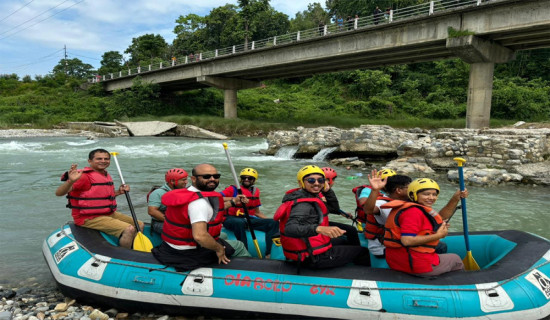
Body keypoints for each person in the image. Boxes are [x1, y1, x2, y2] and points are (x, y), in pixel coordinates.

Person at [152, 164, 251, 271]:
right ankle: (248, 272)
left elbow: (209, 210)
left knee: (224, 235)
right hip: (189, 252)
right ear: (193, 179)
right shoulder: (199, 203)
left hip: (173, 246)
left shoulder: (191, 193)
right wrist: (219, 249)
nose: (212, 179)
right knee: (239, 245)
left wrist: (233, 201)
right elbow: (200, 236)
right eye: (206, 176)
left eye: (216, 176)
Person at [274, 165, 370, 269]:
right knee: (363, 252)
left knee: (344, 241)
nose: (316, 183)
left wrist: (327, 191)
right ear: (301, 182)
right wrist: (319, 229)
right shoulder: (303, 205)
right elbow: (290, 229)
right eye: (311, 180)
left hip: (308, 248)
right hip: (313, 257)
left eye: (320, 180)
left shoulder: (308, 196)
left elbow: (334, 208)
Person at [55, 148, 143, 249]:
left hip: (107, 213)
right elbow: (59, 193)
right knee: (129, 229)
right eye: (99, 159)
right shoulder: (83, 176)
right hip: (88, 218)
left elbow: (98, 197)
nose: (103, 161)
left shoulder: (105, 174)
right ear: (90, 161)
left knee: (139, 224)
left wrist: (119, 192)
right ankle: (126, 254)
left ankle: (134, 248)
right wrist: (70, 181)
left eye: (106, 159)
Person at [383, 178, 466, 276]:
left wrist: (455, 198)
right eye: (426, 194)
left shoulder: (411, 207)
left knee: (441, 249)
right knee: (455, 259)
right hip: (413, 265)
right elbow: (407, 240)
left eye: (434, 194)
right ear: (413, 194)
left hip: (400, 261)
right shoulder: (413, 212)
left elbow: (441, 218)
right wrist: (438, 235)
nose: (431, 197)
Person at [220, 168, 279, 259]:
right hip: (230, 219)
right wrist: (235, 198)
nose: (246, 180)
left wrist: (270, 221)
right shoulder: (233, 189)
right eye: (244, 177)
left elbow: (257, 212)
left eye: (250, 178)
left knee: (273, 222)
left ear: (254, 180)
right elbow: (217, 197)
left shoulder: (255, 192)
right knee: (239, 222)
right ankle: (243, 253)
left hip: (247, 219)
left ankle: (268, 254)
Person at [362, 170, 411, 258]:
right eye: (409, 188)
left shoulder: (407, 202)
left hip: (395, 242)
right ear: (399, 190)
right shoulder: (382, 203)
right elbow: (368, 210)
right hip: (382, 248)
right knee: (439, 247)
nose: (413, 190)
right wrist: (374, 190)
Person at [321, 167, 360, 246]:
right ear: (328, 181)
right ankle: (358, 252)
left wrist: (341, 213)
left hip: (318, 223)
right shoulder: (322, 193)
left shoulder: (317, 191)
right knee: (351, 230)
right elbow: (332, 207)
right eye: (333, 180)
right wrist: (328, 191)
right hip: (318, 225)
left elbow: (328, 207)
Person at [147, 168, 188, 235]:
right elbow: (152, 211)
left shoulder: (183, 191)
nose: (186, 182)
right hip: (160, 223)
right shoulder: (158, 193)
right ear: (172, 181)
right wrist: (173, 222)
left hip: (179, 222)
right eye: (183, 180)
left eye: (186, 179)